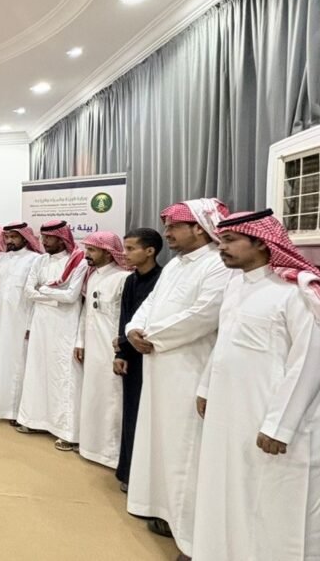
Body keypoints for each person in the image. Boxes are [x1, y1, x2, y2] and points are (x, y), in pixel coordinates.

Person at [191, 209, 320, 561]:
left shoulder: (301, 292)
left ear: (263, 244)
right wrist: (206, 387)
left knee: (283, 508)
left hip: (283, 423)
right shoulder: (236, 285)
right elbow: (225, 341)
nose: (222, 248)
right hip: (234, 413)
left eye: (231, 240)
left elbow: (310, 363)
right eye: (221, 240)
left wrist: (280, 425)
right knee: (237, 494)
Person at [124, 198, 230, 556]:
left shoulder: (217, 264)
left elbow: (203, 316)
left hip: (189, 369)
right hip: (159, 365)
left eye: (174, 227)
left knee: (187, 448)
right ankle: (165, 511)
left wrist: (152, 337)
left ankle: (191, 534)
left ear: (199, 227)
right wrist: (133, 329)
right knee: (162, 441)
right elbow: (150, 304)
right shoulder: (175, 265)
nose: (167, 233)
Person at [17, 220, 87, 451]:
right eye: (43, 237)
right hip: (41, 323)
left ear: (62, 238)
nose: (44, 242)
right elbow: (28, 292)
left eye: (49, 238)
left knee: (63, 373)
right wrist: (54, 296)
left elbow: (71, 296)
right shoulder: (40, 260)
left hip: (65, 325)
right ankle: (34, 420)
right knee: (38, 369)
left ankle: (66, 431)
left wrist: (44, 290)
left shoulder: (78, 261)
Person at [75, 232, 131, 469]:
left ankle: (111, 453)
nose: (87, 254)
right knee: (93, 394)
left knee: (112, 398)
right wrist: (80, 341)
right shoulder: (93, 276)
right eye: (87, 249)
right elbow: (86, 312)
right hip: (93, 347)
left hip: (111, 350)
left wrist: (122, 351)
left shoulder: (123, 278)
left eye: (92, 250)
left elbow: (126, 318)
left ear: (109, 253)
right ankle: (90, 445)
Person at [113, 228, 162, 490]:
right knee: (131, 414)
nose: (125, 253)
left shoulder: (163, 280)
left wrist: (128, 343)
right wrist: (121, 352)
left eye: (131, 248)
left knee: (150, 418)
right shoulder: (130, 281)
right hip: (131, 357)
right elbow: (126, 318)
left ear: (150, 251)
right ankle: (129, 472)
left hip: (153, 355)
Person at [0, 222, 43, 422]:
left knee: (18, 362)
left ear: (24, 237)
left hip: (21, 320)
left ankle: (14, 410)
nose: (9, 240)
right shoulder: (1, 258)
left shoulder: (35, 259)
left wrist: (30, 324)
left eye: (14, 236)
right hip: (2, 318)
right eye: (7, 237)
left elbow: (35, 295)